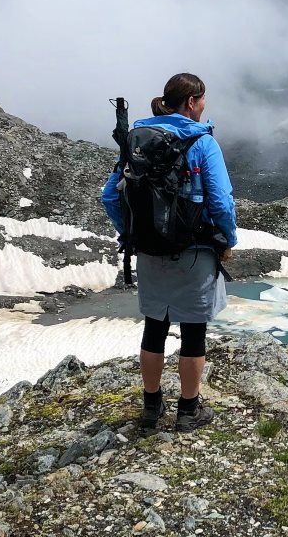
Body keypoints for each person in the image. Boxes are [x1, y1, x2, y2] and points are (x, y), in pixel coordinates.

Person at [101, 72, 238, 432]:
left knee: (154, 328)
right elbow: (221, 200)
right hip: (194, 251)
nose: (204, 105)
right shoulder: (202, 142)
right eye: (202, 99)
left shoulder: (138, 140)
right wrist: (228, 240)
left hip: (148, 251)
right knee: (193, 332)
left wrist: (132, 232)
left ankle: (151, 409)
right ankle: (189, 410)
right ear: (192, 102)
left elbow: (110, 195)